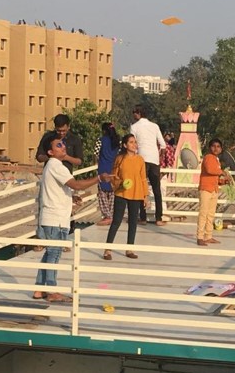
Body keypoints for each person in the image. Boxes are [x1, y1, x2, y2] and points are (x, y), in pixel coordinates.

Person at [32, 137, 109, 302]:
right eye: (58, 145)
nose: (63, 146)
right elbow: (77, 185)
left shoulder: (52, 167)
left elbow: (57, 190)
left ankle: (39, 288)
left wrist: (70, 198)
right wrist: (99, 178)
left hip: (53, 216)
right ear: (51, 152)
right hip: (56, 218)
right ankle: (51, 290)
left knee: (50, 253)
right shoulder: (55, 165)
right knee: (54, 253)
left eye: (63, 144)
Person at [103, 134, 149, 261]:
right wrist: (120, 183)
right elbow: (114, 176)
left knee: (133, 222)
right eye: (131, 142)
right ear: (125, 145)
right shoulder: (120, 159)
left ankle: (129, 248)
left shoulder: (140, 160)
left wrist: (145, 196)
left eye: (135, 142)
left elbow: (143, 179)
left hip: (136, 193)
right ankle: (107, 249)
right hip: (121, 193)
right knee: (116, 221)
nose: (134, 145)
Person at [130, 105, 167, 226]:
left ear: (138, 113)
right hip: (154, 160)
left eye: (134, 113)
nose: (133, 115)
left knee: (141, 189)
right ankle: (159, 218)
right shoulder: (154, 126)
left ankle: (143, 217)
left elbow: (133, 145)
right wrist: (159, 157)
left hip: (141, 159)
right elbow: (163, 145)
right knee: (157, 190)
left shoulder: (134, 127)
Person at [197, 139, 229, 246]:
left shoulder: (216, 160)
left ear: (221, 149)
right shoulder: (208, 157)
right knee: (203, 213)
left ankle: (208, 236)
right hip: (206, 189)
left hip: (214, 189)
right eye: (214, 146)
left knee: (210, 215)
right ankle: (200, 237)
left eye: (218, 146)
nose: (216, 148)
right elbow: (210, 170)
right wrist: (222, 172)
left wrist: (223, 181)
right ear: (210, 147)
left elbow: (214, 176)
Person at [96, 122, 120, 226]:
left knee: (102, 193)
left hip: (103, 168)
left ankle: (107, 215)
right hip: (113, 168)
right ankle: (111, 214)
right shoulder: (116, 142)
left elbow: (96, 154)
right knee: (112, 192)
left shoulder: (100, 140)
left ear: (104, 130)